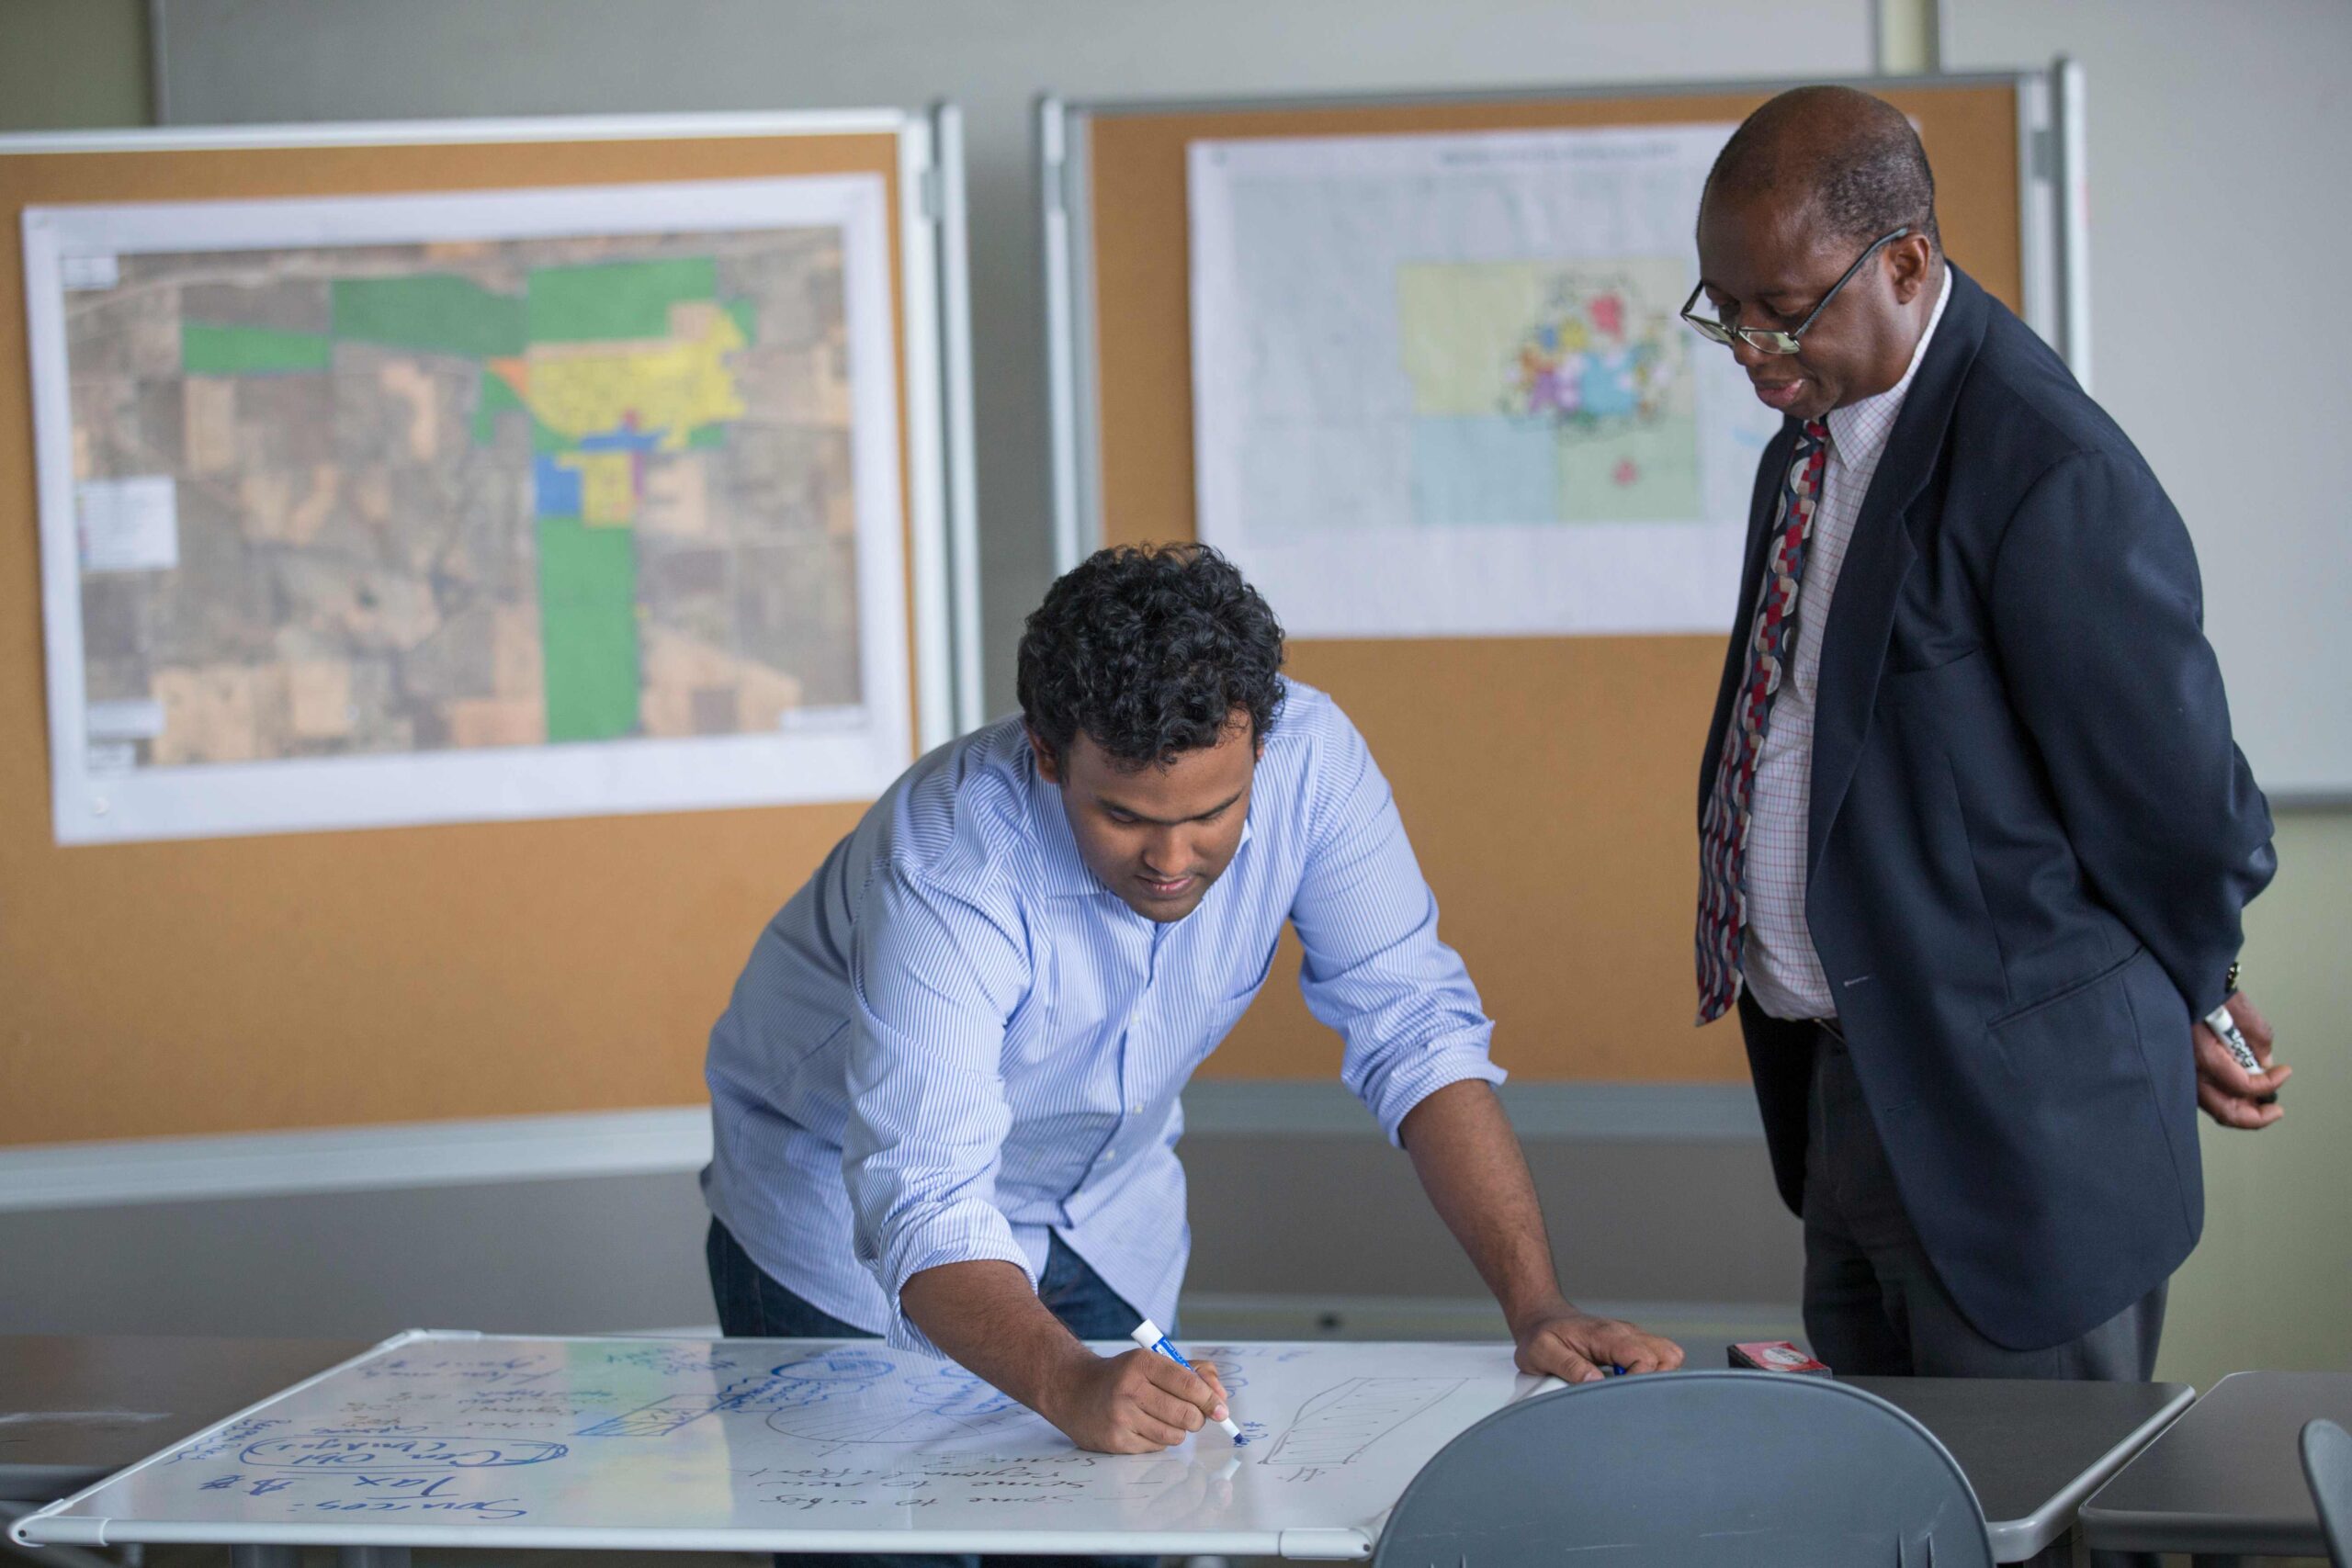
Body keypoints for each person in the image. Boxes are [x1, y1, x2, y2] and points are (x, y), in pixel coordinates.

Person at [702, 543, 1681, 1568]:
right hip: (838, 1209)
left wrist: (1536, 1305)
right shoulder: (947, 856)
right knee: (890, 1557)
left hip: (1102, 1207)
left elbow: (1416, 1030)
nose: (1171, 862)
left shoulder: (1315, 760)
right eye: (1122, 815)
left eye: (1212, 814)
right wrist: (1067, 1382)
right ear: (1045, 752)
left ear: (1259, 746)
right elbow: (924, 1193)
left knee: (1124, 1541)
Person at [1686, 85, 2281, 1383]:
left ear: (1906, 261)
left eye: (1779, 307)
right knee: (1883, 1511)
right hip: (1853, 1089)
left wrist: (2199, 972)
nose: (1746, 345)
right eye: (1722, 307)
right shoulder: (1807, 439)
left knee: (2014, 1519)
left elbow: (2177, 803)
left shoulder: (2045, 465)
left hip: (2021, 1135)